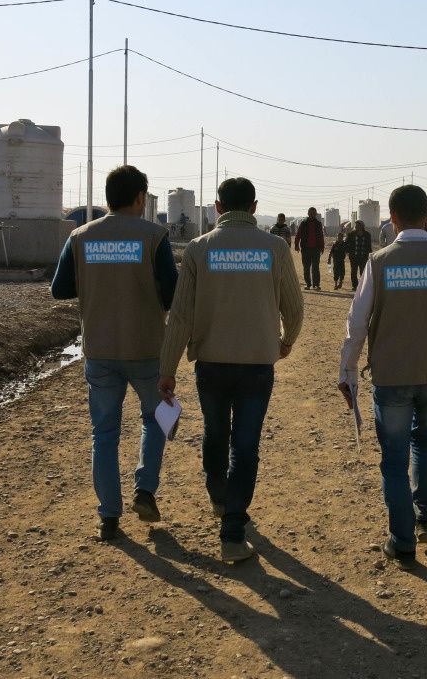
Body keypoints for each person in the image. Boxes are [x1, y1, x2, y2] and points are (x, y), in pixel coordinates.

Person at [338, 185, 427, 570]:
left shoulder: (380, 261)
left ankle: (402, 540)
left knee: (395, 456)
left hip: (391, 378)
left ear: (392, 217)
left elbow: (357, 323)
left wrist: (347, 371)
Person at [160, 178, 304, 563]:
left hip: (212, 363)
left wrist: (167, 368)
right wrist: (286, 339)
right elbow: (295, 306)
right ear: (254, 207)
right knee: (245, 444)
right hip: (257, 363)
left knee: (215, 432)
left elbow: (182, 316)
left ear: (218, 207)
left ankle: (219, 497)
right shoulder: (275, 247)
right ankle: (234, 532)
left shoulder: (198, 248)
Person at [51, 165, 179, 541]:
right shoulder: (155, 236)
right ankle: (144, 490)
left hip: (99, 350)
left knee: (103, 433)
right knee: (154, 419)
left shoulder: (80, 236)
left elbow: (60, 290)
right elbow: (172, 295)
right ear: (140, 197)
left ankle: (109, 517)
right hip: (145, 349)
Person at [294, 207, 326, 290]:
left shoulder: (318, 224)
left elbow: (321, 236)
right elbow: (298, 234)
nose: (312, 215)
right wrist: (296, 244)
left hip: (316, 249)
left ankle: (316, 284)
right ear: (308, 213)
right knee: (306, 267)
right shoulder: (303, 223)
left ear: (315, 214)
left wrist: (322, 246)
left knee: (315, 267)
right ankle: (308, 284)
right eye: (310, 213)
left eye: (313, 213)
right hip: (305, 249)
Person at [348, 220, 372, 290]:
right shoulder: (351, 234)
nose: (356, 226)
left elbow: (369, 246)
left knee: (363, 272)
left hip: (363, 257)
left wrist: (369, 255)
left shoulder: (367, 235)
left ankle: (362, 286)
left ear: (362, 226)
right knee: (354, 272)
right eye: (356, 225)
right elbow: (347, 243)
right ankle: (355, 286)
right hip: (353, 257)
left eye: (358, 225)